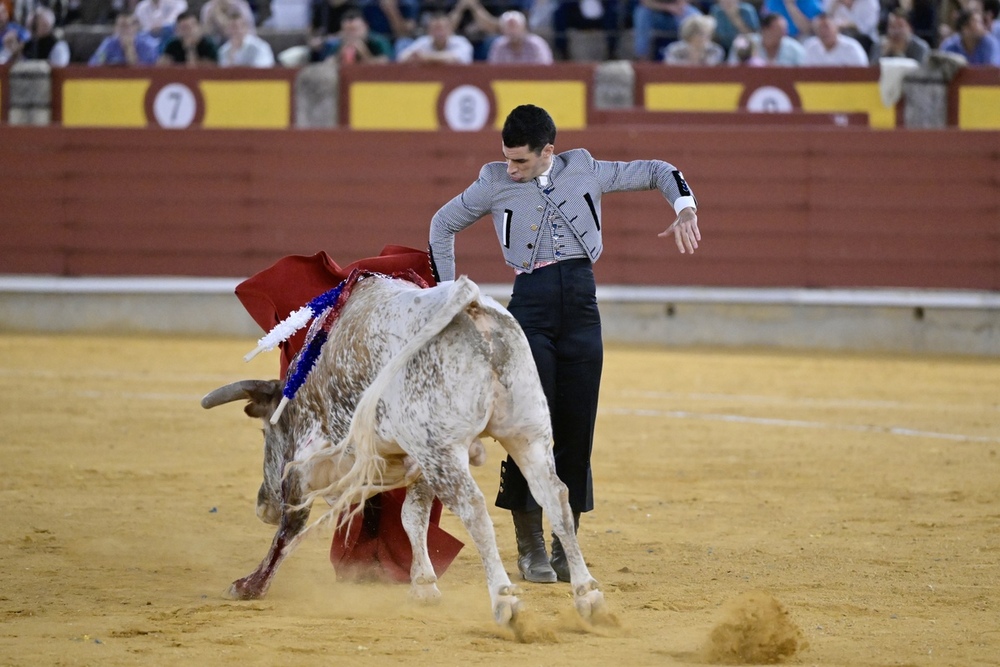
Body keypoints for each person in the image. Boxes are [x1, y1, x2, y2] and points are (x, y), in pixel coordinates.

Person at [427, 104, 700, 584]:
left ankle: (564, 544)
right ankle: (530, 544)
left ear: (548, 152)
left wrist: (684, 207)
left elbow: (661, 170)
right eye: (507, 160)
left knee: (577, 425)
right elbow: (441, 224)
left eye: (521, 162)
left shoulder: (585, 170)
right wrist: (448, 297)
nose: (511, 170)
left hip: (581, 307)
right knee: (529, 426)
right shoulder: (493, 181)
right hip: (528, 309)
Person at [312, 7, 392, 62]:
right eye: (347, 31)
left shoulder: (377, 41)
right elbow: (326, 64)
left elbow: (387, 65)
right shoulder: (339, 45)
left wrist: (365, 54)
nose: (351, 35)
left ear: (365, 27)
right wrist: (338, 57)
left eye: (354, 30)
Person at [633, 0, 703, 60]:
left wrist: (678, 7)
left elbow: (682, 4)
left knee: (696, 18)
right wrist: (667, 7)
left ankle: (692, 57)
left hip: (677, 13)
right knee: (642, 13)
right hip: (656, 14)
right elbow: (646, 2)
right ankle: (643, 57)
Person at [727, 12, 805, 64]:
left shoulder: (795, 49)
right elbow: (732, 67)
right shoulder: (746, 42)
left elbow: (804, 73)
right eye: (778, 30)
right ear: (765, 29)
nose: (783, 34)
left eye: (784, 30)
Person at [396, 9, 473, 62]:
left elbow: (461, 58)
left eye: (442, 28)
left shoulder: (460, 42)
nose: (439, 32)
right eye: (435, 29)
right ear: (429, 31)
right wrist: (412, 56)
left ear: (450, 30)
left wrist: (427, 58)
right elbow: (401, 58)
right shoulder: (423, 42)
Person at [89, 11, 161, 65]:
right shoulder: (109, 43)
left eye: (126, 26)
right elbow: (93, 64)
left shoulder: (147, 44)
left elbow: (153, 70)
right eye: (120, 26)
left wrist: (130, 49)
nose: (123, 30)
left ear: (135, 27)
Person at [487, 8, 553, 63]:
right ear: (503, 30)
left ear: (524, 28)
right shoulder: (499, 46)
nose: (512, 31)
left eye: (515, 27)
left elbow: (545, 69)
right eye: (509, 27)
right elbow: (493, 69)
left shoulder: (536, 45)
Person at [801, 11, 869, 64]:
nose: (824, 31)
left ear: (836, 28)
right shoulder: (810, 47)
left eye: (827, 27)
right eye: (820, 28)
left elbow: (861, 74)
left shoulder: (851, 48)